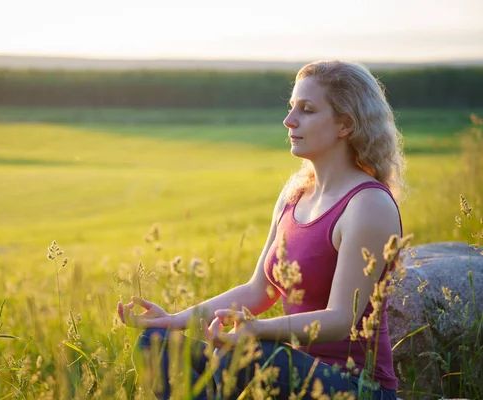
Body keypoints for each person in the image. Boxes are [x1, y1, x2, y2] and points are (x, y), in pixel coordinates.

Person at [117, 60, 404, 399]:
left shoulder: (367, 204)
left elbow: (341, 318)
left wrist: (257, 331)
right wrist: (173, 321)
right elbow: (259, 291)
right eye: (291, 107)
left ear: (345, 125)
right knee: (156, 346)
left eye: (307, 110)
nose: (289, 120)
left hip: (356, 386)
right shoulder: (295, 194)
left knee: (244, 359)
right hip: (286, 368)